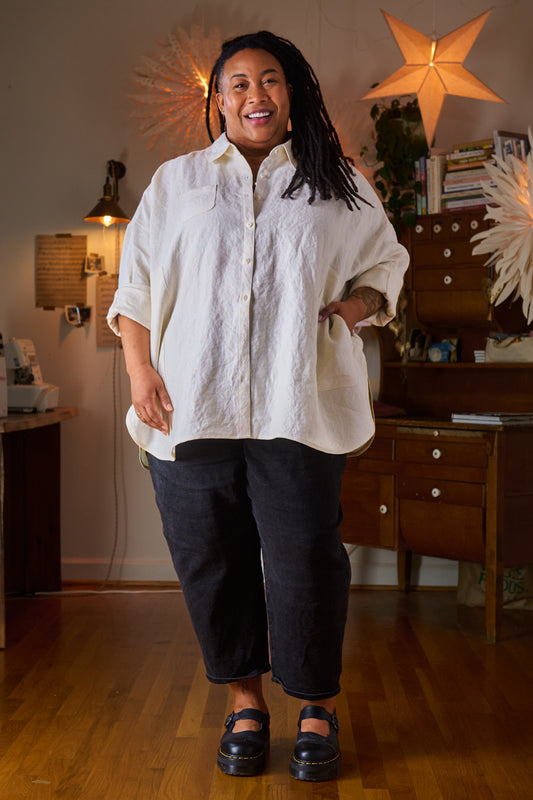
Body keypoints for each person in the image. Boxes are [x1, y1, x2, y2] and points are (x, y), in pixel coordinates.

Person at [107, 30, 408, 782]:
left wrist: (357, 306)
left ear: (291, 91)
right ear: (218, 100)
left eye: (269, 79)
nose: (255, 95)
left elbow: (387, 260)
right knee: (212, 558)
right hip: (190, 404)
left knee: (306, 559)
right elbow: (135, 285)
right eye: (238, 83)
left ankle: (315, 706)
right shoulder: (177, 183)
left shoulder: (336, 182)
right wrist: (139, 372)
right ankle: (245, 704)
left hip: (297, 403)